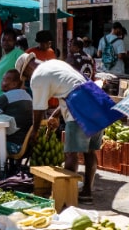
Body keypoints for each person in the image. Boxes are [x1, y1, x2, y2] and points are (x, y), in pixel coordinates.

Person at [15, 53, 98, 203]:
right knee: (90, 152)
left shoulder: (37, 76)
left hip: (79, 107)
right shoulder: (56, 64)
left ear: (27, 70)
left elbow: (38, 108)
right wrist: (56, 114)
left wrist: (35, 130)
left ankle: (66, 197)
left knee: (71, 154)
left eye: (25, 76)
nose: (27, 80)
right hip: (96, 100)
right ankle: (87, 192)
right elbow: (70, 87)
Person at [0, 69, 33, 156]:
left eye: (5, 80)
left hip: (12, 144)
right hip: (26, 145)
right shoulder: (27, 96)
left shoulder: (7, 97)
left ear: (14, 84)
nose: (1, 82)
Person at [0, 28, 23, 101]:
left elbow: (24, 73)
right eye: (3, 39)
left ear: (14, 41)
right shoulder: (3, 57)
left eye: (9, 40)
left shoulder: (18, 53)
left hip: (8, 98)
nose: (6, 42)